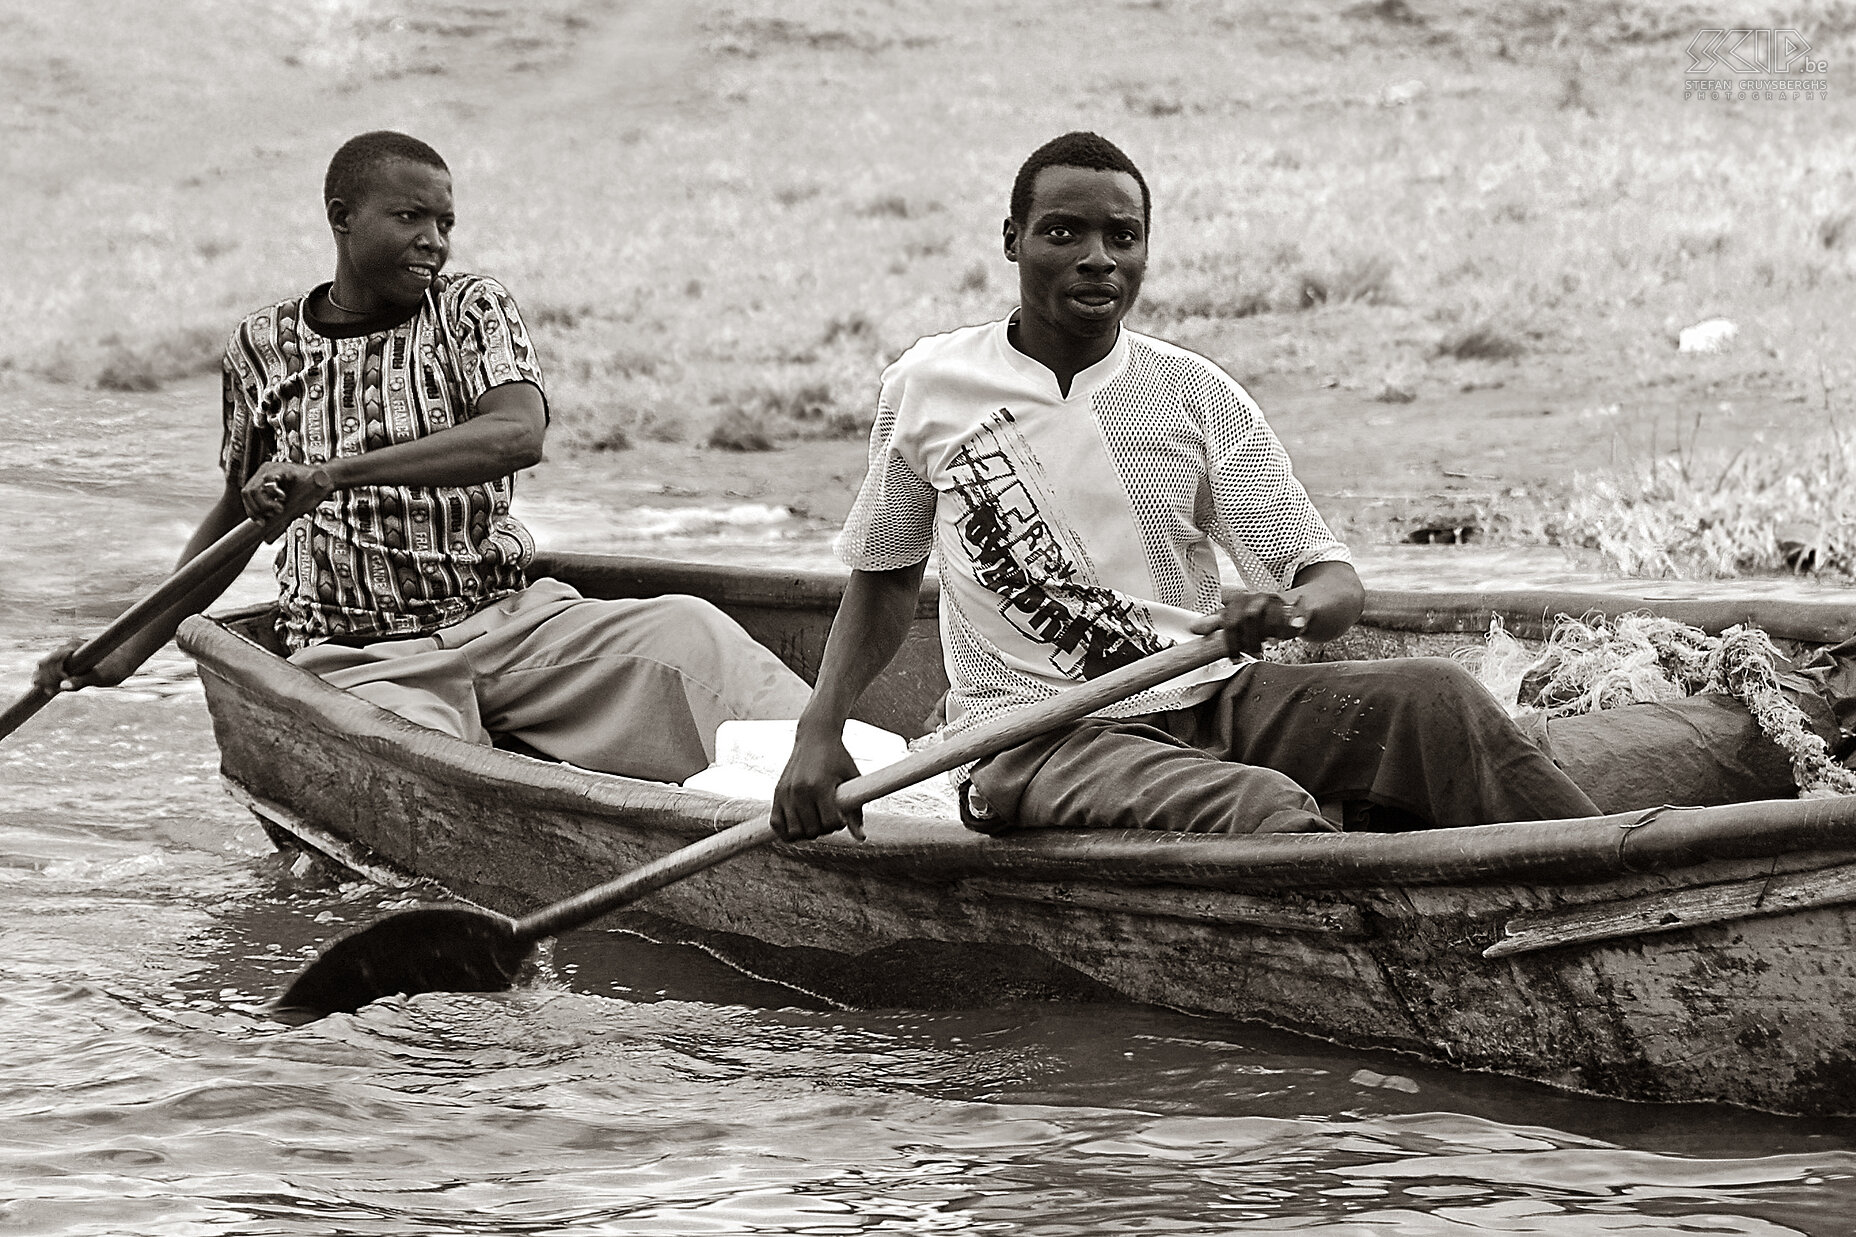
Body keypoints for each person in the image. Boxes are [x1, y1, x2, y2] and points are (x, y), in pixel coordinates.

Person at [771, 130, 1602, 841]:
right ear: (1012, 239)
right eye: (1064, 233)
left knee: (1438, 698)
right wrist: (819, 731)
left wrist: (1291, 610)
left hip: (1215, 699)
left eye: (1122, 237)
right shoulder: (929, 385)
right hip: (1038, 739)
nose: (1099, 259)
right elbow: (883, 580)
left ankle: (1613, 871)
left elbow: (1332, 582)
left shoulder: (1193, 395)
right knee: (1267, 809)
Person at [36, 130, 810, 782]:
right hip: (359, 660)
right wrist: (127, 648)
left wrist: (333, 473)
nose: (433, 242)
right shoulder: (263, 347)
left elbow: (516, 433)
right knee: (438, 771)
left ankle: (851, 782)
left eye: (445, 222)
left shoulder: (471, 308)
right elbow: (237, 512)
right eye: (409, 217)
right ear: (342, 219)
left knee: (693, 634)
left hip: (510, 623)